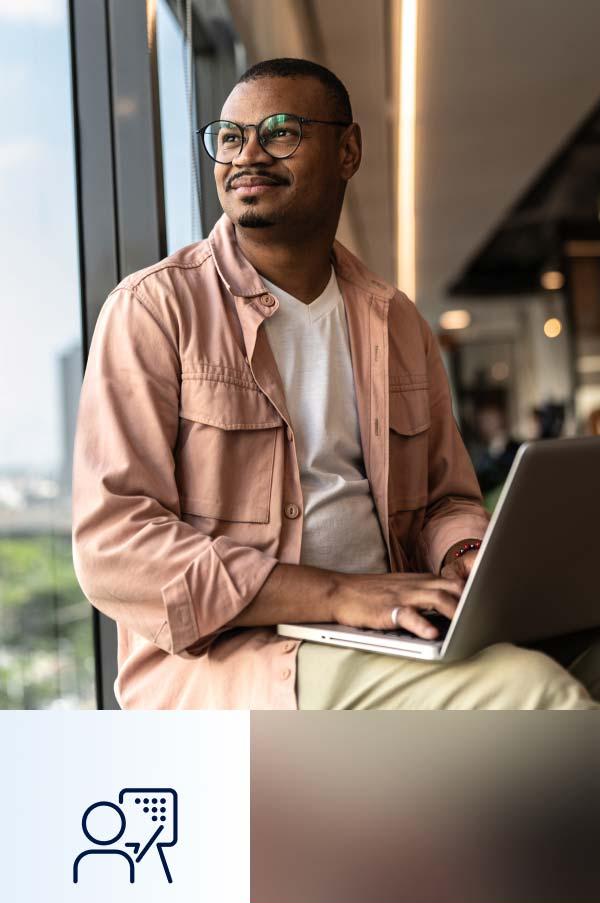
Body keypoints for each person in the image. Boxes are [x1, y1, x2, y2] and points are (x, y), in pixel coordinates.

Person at [72, 58, 600, 709]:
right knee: (537, 696)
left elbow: (445, 501)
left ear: (347, 150)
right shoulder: (154, 309)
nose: (248, 156)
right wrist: (337, 593)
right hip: (243, 658)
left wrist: (465, 552)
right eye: (230, 137)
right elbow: (114, 547)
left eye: (280, 132)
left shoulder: (395, 319)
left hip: (393, 626)